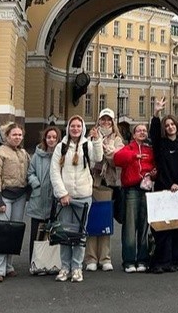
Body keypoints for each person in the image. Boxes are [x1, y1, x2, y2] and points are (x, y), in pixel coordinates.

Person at [50, 116, 101, 283]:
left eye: (79, 126)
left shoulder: (87, 145)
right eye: (73, 126)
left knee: (80, 234)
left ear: (83, 128)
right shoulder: (60, 147)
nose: (75, 129)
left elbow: (98, 158)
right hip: (66, 197)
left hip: (84, 195)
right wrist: (62, 193)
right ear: (68, 128)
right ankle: (65, 267)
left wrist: (97, 139)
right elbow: (55, 172)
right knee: (64, 233)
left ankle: (77, 267)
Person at [149, 97, 178, 273]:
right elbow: (153, 133)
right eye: (167, 126)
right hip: (162, 189)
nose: (169, 127)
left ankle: (177, 261)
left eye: (172, 125)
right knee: (162, 228)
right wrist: (156, 113)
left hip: (177, 190)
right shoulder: (161, 145)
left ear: (177, 126)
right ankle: (162, 261)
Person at [0, 123, 30, 283]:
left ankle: (8, 266)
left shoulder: (23, 153)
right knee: (1, 233)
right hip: (3, 197)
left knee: (13, 233)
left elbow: (28, 173)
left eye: (19, 135)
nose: (17, 137)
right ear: (7, 136)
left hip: (19, 196)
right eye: (14, 135)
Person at [113, 122, 157, 273]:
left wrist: (153, 173)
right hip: (131, 189)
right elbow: (117, 159)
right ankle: (129, 260)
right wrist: (134, 156)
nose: (142, 133)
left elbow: (154, 166)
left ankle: (143, 259)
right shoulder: (128, 148)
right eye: (139, 131)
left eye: (144, 130)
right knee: (130, 225)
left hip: (146, 188)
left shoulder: (149, 149)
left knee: (144, 225)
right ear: (133, 134)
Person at [85, 108, 123, 272]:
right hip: (92, 182)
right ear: (98, 121)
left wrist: (102, 146)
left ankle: (105, 257)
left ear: (113, 122)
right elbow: (90, 156)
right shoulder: (90, 136)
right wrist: (99, 145)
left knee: (105, 222)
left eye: (109, 120)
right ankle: (91, 258)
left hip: (109, 183)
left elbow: (117, 159)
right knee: (92, 221)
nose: (106, 123)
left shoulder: (117, 139)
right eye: (103, 120)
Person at [26, 125, 61, 270]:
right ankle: (35, 262)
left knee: (54, 233)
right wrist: (36, 184)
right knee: (36, 233)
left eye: (54, 137)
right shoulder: (37, 155)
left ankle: (51, 263)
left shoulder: (61, 155)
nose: (51, 140)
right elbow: (30, 172)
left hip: (55, 200)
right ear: (45, 139)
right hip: (39, 199)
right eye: (49, 137)